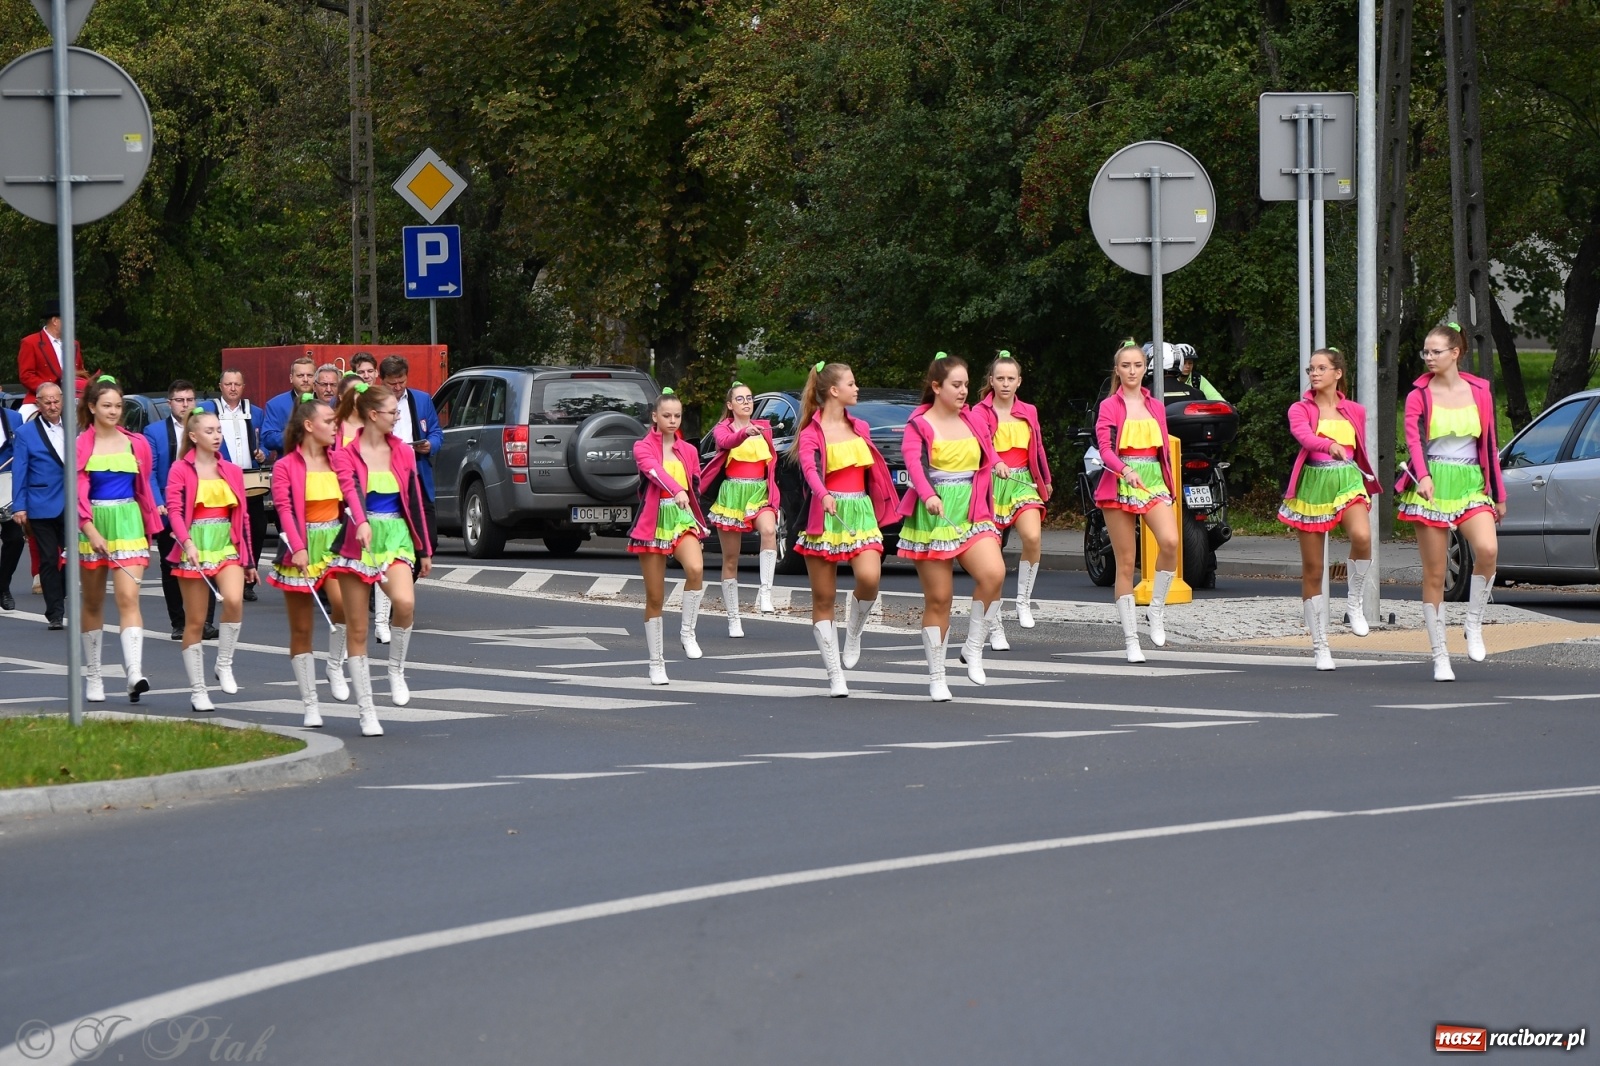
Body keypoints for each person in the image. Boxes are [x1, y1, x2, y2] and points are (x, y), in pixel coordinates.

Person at [1395, 322, 1504, 682]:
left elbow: (1489, 444)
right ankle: (1440, 654)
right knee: (1436, 572)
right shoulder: (1418, 395)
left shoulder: (1480, 392)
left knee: (1487, 550)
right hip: (1433, 482)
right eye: (1425, 351)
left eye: (1435, 351)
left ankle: (1473, 623)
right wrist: (1422, 476)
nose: (1428, 357)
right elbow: (1413, 441)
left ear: (1455, 353)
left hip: (1471, 481)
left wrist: (1498, 494)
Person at [327, 384, 433, 736]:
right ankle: (366, 711)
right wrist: (360, 521)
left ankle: (396, 671)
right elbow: (350, 491)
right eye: (391, 412)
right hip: (359, 539)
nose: (397, 417)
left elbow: (414, 497)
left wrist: (424, 549)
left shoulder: (402, 451)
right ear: (373, 415)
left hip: (397, 535)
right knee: (357, 629)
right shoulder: (346, 453)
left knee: (404, 603)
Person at [897, 354, 1005, 701]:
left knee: (994, 574)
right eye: (956, 385)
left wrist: (999, 464)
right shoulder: (919, 424)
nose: (963, 391)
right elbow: (913, 465)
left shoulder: (974, 419)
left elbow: (988, 452)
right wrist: (928, 494)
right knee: (940, 598)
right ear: (936, 387)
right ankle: (937, 675)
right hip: (934, 514)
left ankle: (973, 648)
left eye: (966, 384)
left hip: (972, 509)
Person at [792, 362, 900, 697]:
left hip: (861, 510)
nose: (857, 389)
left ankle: (854, 630)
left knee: (870, 578)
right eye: (852, 384)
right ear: (834, 391)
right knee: (823, 598)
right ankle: (834, 673)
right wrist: (823, 494)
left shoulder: (861, 427)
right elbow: (809, 468)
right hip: (825, 513)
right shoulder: (812, 432)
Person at [1279, 348, 1381, 670]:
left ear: (1338, 373)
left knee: (1362, 537)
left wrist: (1353, 465)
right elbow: (1305, 437)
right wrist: (1329, 445)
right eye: (1311, 369)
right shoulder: (1300, 408)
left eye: (1322, 368)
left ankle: (1354, 603)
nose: (1314, 373)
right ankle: (1320, 644)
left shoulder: (1356, 410)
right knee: (1313, 570)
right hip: (1313, 485)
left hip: (1348, 481)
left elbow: (1360, 449)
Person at [75, 377, 162, 702]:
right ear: (92, 407)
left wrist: (149, 527)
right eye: (107, 405)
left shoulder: (136, 443)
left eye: (118, 406)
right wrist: (89, 528)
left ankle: (134, 673)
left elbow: (143, 487)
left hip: (128, 522)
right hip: (94, 522)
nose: (113, 411)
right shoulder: (82, 443)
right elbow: (77, 491)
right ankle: (95, 675)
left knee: (128, 598)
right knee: (94, 601)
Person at [1094, 343, 1181, 664]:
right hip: (1119, 482)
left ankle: (1155, 611)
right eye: (1126, 365)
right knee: (1126, 562)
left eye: (1137, 365)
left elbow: (1162, 450)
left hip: (1154, 480)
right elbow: (1104, 450)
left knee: (1170, 542)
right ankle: (1131, 640)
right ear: (1117, 370)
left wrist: (1168, 484)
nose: (1132, 371)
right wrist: (1124, 469)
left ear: (1146, 368)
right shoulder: (1109, 406)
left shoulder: (1156, 406)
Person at [165, 411, 255, 712]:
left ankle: (224, 663)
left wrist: (250, 559)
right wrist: (186, 541)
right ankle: (198, 690)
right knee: (196, 621)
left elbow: (243, 518)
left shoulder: (230, 470)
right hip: (195, 546)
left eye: (219, 430)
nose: (217, 436)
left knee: (234, 601)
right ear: (193, 436)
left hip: (225, 544)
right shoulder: (179, 469)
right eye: (209, 431)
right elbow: (175, 512)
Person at [268, 399, 350, 728]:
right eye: (329, 420)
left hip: (334, 542)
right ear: (309, 426)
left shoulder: (340, 459)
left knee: (345, 605)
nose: (335, 426)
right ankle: (309, 703)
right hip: (301, 547)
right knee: (302, 630)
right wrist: (298, 546)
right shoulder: (285, 466)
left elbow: (353, 497)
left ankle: (335, 664)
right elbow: (284, 509)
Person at [971, 351, 1052, 649]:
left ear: (1019, 382)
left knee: (1032, 536)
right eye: (1000, 378)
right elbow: (981, 444)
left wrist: (1046, 479)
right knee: (992, 564)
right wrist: (994, 462)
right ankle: (995, 626)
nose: (1005, 384)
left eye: (1011, 379)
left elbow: (1039, 447)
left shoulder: (1029, 410)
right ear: (991, 381)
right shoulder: (978, 412)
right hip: (990, 485)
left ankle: (1023, 601)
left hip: (1022, 483)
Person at [628, 389, 708, 685]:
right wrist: (677, 490)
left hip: (682, 519)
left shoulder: (688, 449)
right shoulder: (642, 447)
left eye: (677, 416)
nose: (672, 421)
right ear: (654, 417)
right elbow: (654, 471)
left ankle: (687, 631)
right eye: (666, 416)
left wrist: (692, 500)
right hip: (654, 521)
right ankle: (656, 662)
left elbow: (696, 483)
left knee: (696, 569)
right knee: (655, 597)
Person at [699, 381, 780, 636]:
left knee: (769, 531)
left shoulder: (765, 428)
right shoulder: (723, 429)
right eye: (741, 399)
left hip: (759, 492)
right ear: (730, 405)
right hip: (732, 494)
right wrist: (745, 433)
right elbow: (726, 441)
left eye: (749, 398)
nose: (746, 402)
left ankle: (765, 593)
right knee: (730, 560)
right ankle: (734, 618)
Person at [377, 356, 442, 643]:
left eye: (402, 382)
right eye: (393, 384)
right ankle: (387, 604)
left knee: (429, 541)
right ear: (383, 382)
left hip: (418, 478)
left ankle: (394, 593)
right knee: (388, 550)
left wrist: (431, 445)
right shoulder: (374, 403)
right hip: (386, 484)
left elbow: (438, 432)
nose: (398, 388)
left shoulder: (422, 399)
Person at [147, 380, 218, 641]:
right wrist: (157, 502)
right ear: (169, 403)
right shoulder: (154, 432)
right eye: (179, 400)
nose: (185, 404)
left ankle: (206, 622)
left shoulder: (208, 428)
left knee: (208, 562)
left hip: (202, 507)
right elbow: (150, 473)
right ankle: (178, 622)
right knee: (171, 566)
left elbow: (224, 462)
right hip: (169, 508)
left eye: (189, 399)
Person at [199, 369, 268, 602]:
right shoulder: (210, 411)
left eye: (237, 384)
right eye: (228, 384)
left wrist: (263, 453)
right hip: (221, 478)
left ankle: (249, 578)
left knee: (257, 528)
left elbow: (265, 442)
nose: (232, 388)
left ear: (243, 386)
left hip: (250, 480)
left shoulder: (255, 412)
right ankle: (223, 577)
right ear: (220, 386)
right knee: (228, 529)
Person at [12, 382, 69, 629]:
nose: (52, 406)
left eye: (56, 401)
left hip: (71, 504)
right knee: (48, 559)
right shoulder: (25, 433)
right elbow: (19, 471)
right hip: (41, 504)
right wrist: (19, 507)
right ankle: (55, 612)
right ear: (38, 404)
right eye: (47, 402)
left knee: (73, 558)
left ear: (63, 400)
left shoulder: (76, 428)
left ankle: (62, 592)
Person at [16, 299, 88, 414]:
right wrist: (49, 391)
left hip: (70, 401)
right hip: (38, 400)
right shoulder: (30, 342)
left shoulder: (74, 344)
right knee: (25, 419)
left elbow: (80, 373)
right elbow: (26, 375)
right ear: (55, 321)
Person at [260, 356, 318, 458]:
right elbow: (268, 439)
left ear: (315, 378)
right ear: (291, 378)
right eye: (300, 375)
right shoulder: (275, 404)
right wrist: (298, 436)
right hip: (289, 467)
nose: (305, 379)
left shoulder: (325, 401)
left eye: (309, 375)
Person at [0, 401, 27, 610]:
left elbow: (20, 455)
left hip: (7, 488)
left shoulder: (14, 418)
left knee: (16, 539)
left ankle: (3, 586)